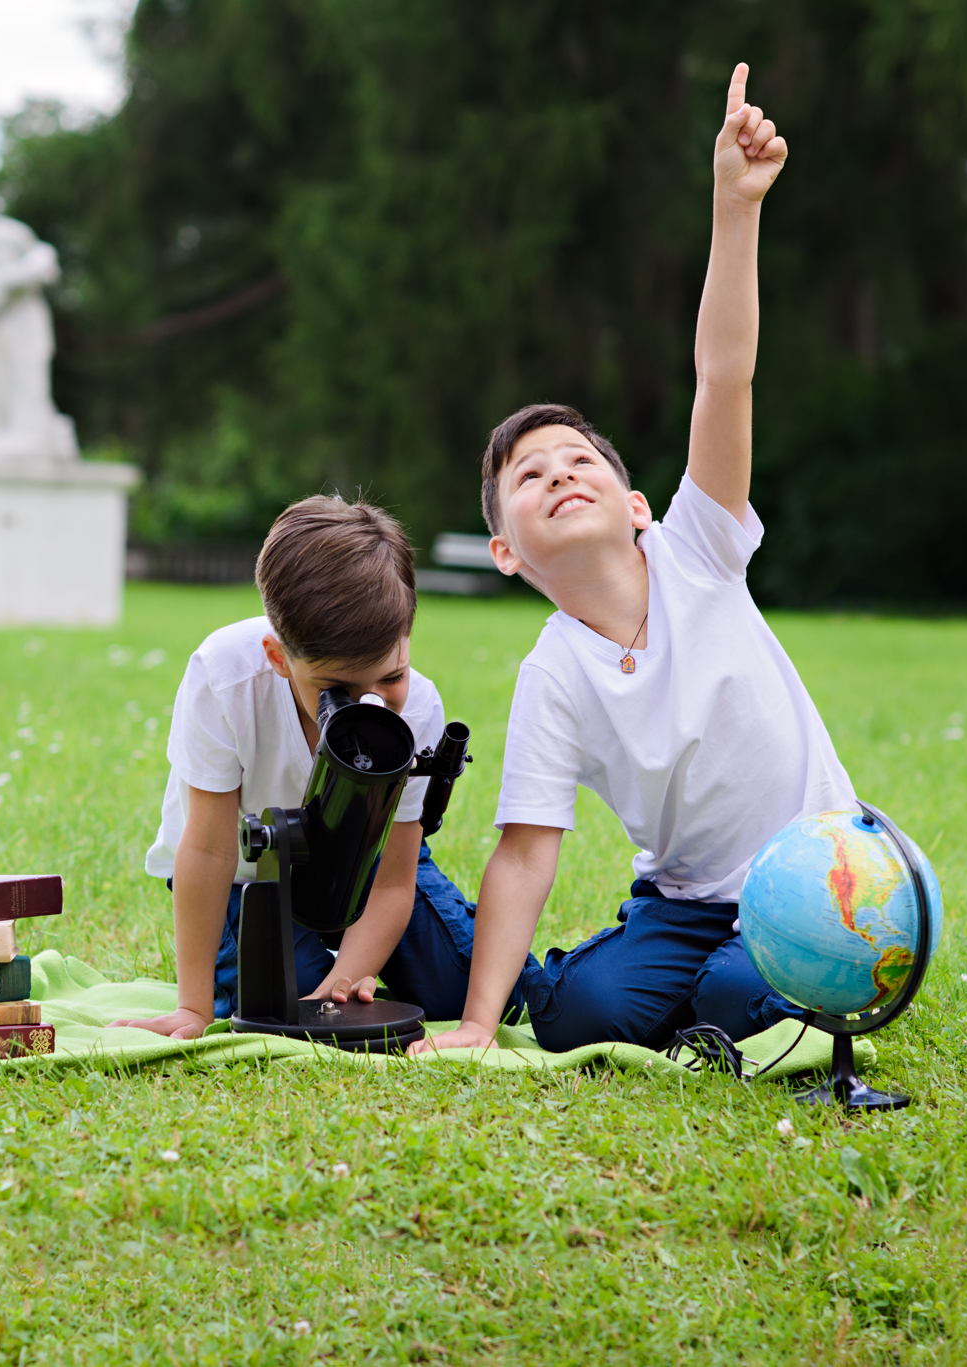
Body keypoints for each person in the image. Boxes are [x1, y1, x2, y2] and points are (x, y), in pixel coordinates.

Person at [412, 63, 852, 1056]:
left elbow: (723, 374)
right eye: (529, 476)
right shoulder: (553, 672)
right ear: (505, 552)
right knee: (578, 1017)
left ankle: (735, 983)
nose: (560, 475)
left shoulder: (698, 547)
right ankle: (641, 976)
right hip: (683, 899)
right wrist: (477, 1024)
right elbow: (526, 848)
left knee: (737, 996)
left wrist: (734, 207)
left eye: (580, 461)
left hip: (812, 872)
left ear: (637, 506)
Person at [115, 495, 502, 1040]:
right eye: (337, 689)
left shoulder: (416, 707)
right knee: (286, 1006)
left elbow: (395, 879)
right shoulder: (225, 677)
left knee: (462, 989)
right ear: (278, 658)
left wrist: (343, 984)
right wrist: (193, 1008)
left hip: (365, 861)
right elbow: (208, 851)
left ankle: (360, 953)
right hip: (246, 874)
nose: (372, 704)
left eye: (392, 676)